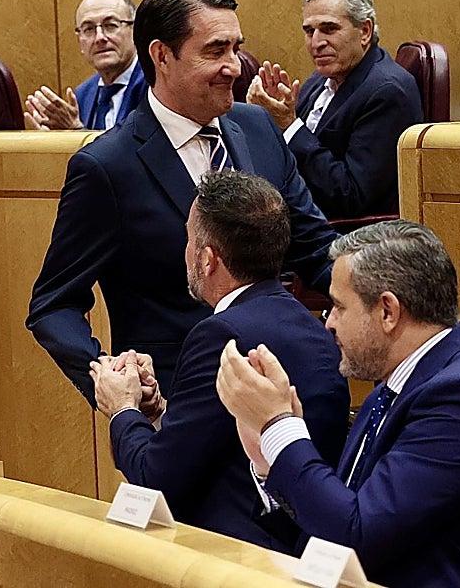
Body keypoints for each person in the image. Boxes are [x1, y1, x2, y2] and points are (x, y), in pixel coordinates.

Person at [27, 0, 339, 404]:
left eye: (235, 48)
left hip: (284, 387)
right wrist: (111, 379)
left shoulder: (260, 129)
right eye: (215, 51)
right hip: (182, 405)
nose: (234, 66)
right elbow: (53, 304)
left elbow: (317, 248)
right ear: (161, 56)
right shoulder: (107, 167)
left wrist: (383, 290)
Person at [216, 220, 460, 588]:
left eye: (338, 307)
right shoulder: (390, 391)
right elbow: (329, 530)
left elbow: (355, 539)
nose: (329, 324)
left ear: (387, 311)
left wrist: (280, 428)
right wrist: (265, 457)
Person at [91, 170, 348, 548]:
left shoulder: (220, 336)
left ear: (208, 259)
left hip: (234, 555)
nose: (185, 250)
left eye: (189, 238)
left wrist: (122, 409)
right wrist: (160, 411)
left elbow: (157, 479)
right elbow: (216, 440)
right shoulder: (314, 330)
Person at [247, 0, 422, 218]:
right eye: (309, 31)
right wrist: (266, 120)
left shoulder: (387, 92)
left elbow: (351, 196)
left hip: (344, 237)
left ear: (364, 31)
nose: (316, 42)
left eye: (329, 29)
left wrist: (288, 125)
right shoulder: (322, 79)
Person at [25, 0, 147, 131]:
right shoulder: (83, 93)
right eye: (89, 29)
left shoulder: (155, 84)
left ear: (135, 31)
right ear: (80, 41)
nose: (99, 37)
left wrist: (76, 131)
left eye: (111, 25)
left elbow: (142, 149)